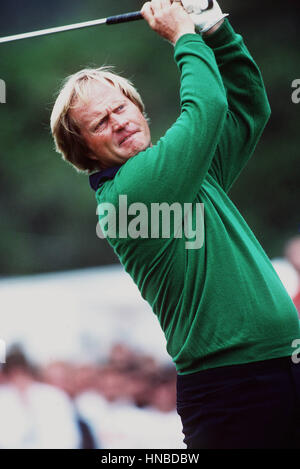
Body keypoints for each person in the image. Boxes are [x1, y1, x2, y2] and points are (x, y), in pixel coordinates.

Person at [50, 0, 300, 449]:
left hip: (281, 370)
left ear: (140, 108)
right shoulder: (130, 192)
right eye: (100, 123)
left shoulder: (185, 171)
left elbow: (246, 107)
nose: (119, 122)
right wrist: (183, 33)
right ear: (85, 151)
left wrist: (215, 28)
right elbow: (207, 103)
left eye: (122, 108)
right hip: (233, 392)